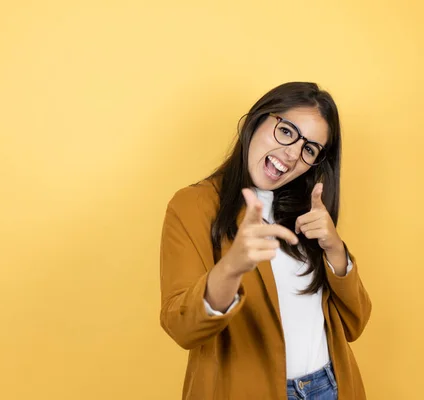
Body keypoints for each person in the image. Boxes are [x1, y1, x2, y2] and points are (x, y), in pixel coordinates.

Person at [159, 82, 371, 399]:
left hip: (328, 388)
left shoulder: (307, 212)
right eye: (287, 132)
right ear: (256, 120)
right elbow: (181, 327)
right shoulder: (191, 207)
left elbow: (355, 325)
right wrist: (230, 268)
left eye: (309, 149)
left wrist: (335, 249)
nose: (293, 154)